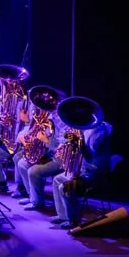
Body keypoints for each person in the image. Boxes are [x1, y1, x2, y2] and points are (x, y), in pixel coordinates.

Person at [51, 98, 114, 229]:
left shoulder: (99, 132)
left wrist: (79, 143)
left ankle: (73, 221)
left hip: (95, 173)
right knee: (57, 179)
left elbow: (90, 157)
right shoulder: (84, 128)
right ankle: (63, 216)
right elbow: (77, 147)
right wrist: (71, 141)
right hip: (83, 170)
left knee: (65, 187)